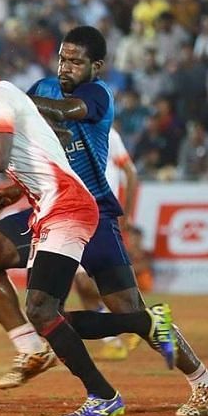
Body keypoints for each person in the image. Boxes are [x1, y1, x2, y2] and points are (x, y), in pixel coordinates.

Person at [0, 26, 208, 416]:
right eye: (61, 59)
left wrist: (19, 100)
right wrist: (5, 181)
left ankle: (202, 381)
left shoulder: (98, 95)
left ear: (96, 66)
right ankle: (32, 349)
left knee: (127, 308)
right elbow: (26, 140)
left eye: (75, 61)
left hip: (95, 211)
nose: (65, 67)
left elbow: (61, 113)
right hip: (48, 206)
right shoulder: (37, 89)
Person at [73, 127, 141, 361]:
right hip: (75, 215)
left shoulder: (107, 134)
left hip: (101, 216)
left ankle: (138, 320)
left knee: (88, 280)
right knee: (81, 283)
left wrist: (126, 216)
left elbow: (130, 173)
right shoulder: (66, 131)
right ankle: (116, 338)